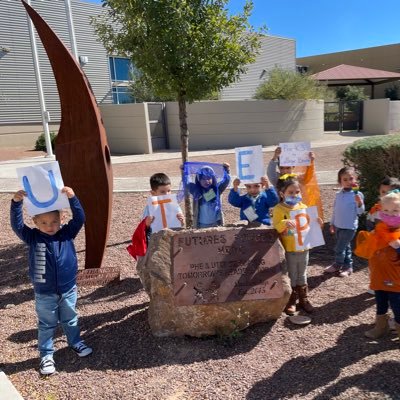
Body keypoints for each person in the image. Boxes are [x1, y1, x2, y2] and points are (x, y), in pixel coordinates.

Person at [10, 187, 92, 376]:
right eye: (44, 222)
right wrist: (16, 203)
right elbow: (17, 225)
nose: (50, 226)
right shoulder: (32, 237)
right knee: (47, 324)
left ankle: (75, 342)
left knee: (70, 318)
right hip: (44, 291)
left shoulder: (66, 233)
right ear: (35, 222)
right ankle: (46, 355)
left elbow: (79, 218)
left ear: (61, 220)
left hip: (68, 288)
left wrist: (73, 198)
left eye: (54, 221)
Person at [272, 175, 323, 315]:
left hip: (304, 248)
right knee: (292, 275)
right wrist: (284, 223)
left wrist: (317, 223)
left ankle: (304, 299)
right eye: (290, 192)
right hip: (289, 249)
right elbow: (276, 226)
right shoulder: (279, 209)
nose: (294, 195)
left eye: (297, 192)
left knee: (302, 274)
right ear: (282, 194)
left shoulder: (303, 207)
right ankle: (291, 300)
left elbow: (308, 225)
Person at [354, 190, 400, 340]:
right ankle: (381, 327)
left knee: (397, 306)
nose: (390, 214)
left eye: (395, 210)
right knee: (380, 302)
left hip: (396, 279)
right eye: (386, 210)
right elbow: (368, 250)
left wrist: (398, 247)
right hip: (379, 275)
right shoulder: (379, 230)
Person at [127, 173, 184, 260]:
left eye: (169, 191)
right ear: (153, 193)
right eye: (162, 192)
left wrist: (181, 220)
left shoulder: (174, 205)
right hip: (156, 240)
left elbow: (181, 224)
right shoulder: (150, 207)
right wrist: (147, 222)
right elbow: (143, 228)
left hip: (172, 238)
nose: (167, 194)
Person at [325, 166, 365, 277]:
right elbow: (335, 210)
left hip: (349, 227)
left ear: (355, 179)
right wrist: (332, 223)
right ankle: (348, 267)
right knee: (345, 247)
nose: (348, 182)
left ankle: (338, 264)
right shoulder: (338, 194)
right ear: (340, 182)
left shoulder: (357, 195)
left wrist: (359, 202)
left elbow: (360, 212)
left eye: (351, 178)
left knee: (339, 247)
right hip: (338, 225)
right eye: (345, 179)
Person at [267, 146, 323, 219]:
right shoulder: (277, 178)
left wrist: (311, 161)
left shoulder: (297, 178)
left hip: (297, 209)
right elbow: (270, 173)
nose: (285, 171)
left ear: (293, 167)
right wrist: (275, 157)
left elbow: (308, 176)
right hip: (282, 209)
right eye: (282, 168)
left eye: (288, 168)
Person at [184, 163, 231, 228]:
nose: (206, 181)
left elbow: (226, 181)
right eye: (203, 179)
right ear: (198, 180)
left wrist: (227, 170)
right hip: (202, 224)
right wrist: (184, 170)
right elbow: (186, 183)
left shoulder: (217, 189)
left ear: (213, 178)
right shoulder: (196, 191)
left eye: (209, 178)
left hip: (216, 223)